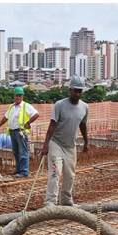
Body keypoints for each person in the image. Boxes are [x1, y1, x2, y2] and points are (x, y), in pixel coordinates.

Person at [40, 76, 89, 206]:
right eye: (75, 90)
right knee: (56, 172)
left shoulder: (84, 107)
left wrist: (86, 142)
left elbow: (83, 125)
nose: (77, 93)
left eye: (80, 91)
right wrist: (46, 145)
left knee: (70, 175)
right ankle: (50, 202)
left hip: (70, 147)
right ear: (70, 90)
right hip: (56, 143)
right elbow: (52, 125)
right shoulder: (60, 105)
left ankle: (66, 200)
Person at [0, 86, 39, 177]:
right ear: (14, 96)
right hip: (12, 132)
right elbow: (5, 117)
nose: (18, 97)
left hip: (21, 132)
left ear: (22, 97)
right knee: (16, 152)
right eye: (16, 95)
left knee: (23, 152)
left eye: (20, 96)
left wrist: (28, 122)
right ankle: (18, 170)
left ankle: (24, 172)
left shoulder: (26, 106)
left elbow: (36, 114)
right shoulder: (12, 107)